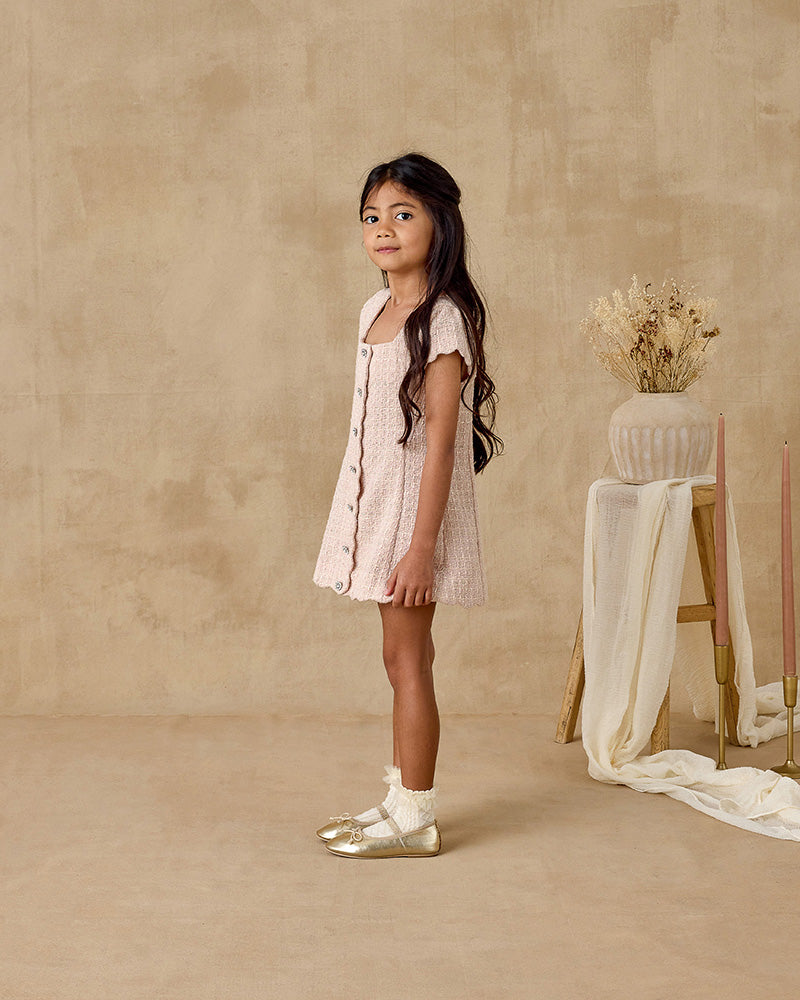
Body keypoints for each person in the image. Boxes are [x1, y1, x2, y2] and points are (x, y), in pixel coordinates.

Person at [312, 152, 503, 858]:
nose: (384, 228)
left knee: (407, 662)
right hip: (376, 506)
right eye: (372, 216)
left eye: (403, 214)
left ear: (439, 224)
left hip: (410, 520)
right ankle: (400, 799)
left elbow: (443, 448)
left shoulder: (441, 321)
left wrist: (421, 549)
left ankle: (417, 816)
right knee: (399, 657)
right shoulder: (375, 309)